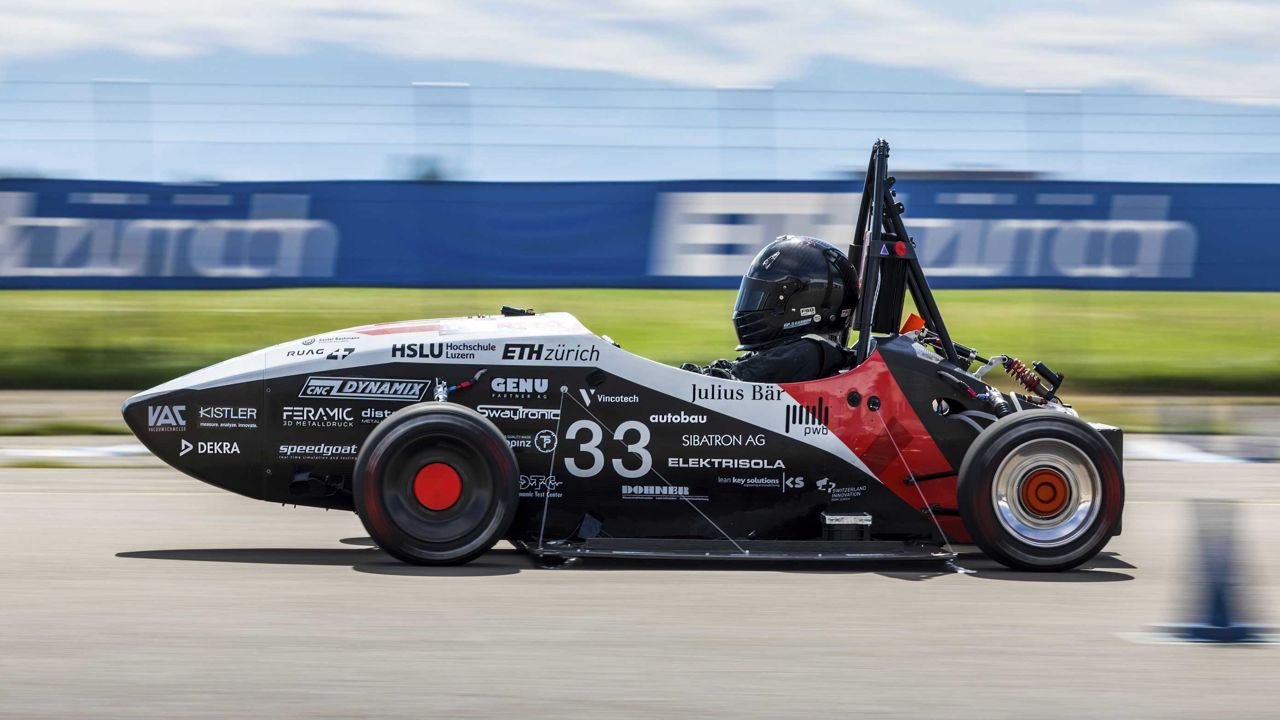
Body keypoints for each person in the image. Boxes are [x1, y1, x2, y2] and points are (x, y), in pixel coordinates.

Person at [682, 235, 858, 384]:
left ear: (804, 304)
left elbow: (728, 384)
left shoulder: (806, 353)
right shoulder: (807, 350)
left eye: (763, 297)